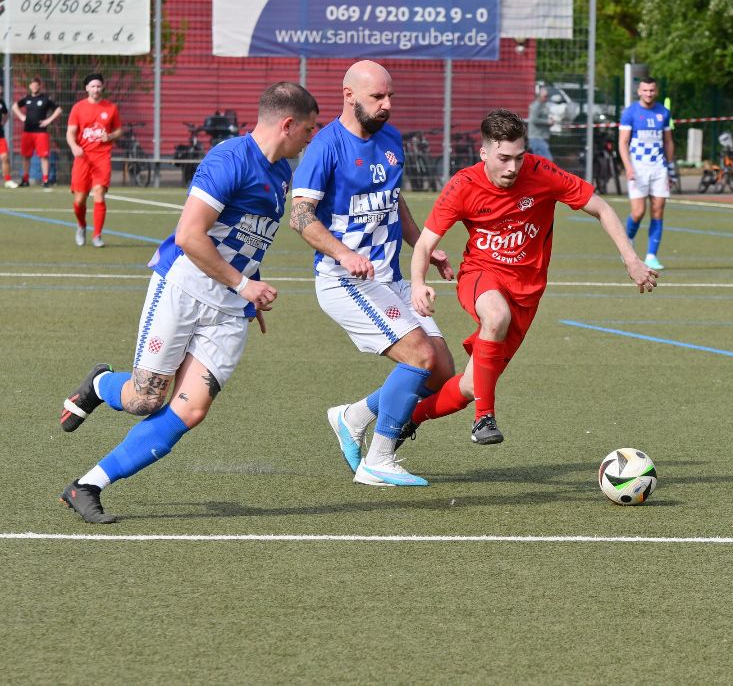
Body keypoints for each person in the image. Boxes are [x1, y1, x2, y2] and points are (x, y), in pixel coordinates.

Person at [57, 82, 319, 523]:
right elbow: (189, 236)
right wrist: (244, 285)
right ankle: (101, 384)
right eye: (310, 129)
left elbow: (245, 240)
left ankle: (87, 486)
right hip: (184, 289)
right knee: (145, 401)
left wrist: (249, 291)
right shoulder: (229, 159)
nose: (312, 138)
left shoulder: (281, 173)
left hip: (229, 308)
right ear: (288, 124)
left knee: (191, 409)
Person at [405, 109, 658, 448]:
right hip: (481, 274)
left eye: (519, 157)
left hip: (527, 293)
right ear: (484, 153)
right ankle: (484, 418)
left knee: (472, 385)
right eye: (504, 158)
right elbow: (424, 244)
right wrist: (418, 283)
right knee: (496, 316)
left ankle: (408, 418)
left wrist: (631, 260)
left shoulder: (542, 173)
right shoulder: (463, 185)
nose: (513, 167)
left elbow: (601, 208)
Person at [288, 60, 456, 488]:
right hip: (345, 281)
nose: (386, 105)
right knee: (419, 357)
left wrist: (422, 246)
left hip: (389, 277)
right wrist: (344, 254)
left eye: (389, 96)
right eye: (377, 97)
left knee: (441, 371)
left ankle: (354, 417)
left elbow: (394, 200)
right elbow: (300, 215)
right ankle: (379, 460)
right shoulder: (326, 146)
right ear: (348, 95)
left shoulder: (391, 138)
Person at [617, 76, 676, 271]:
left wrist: (670, 167)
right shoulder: (630, 112)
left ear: (656, 91)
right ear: (639, 91)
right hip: (638, 168)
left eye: (651, 90)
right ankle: (627, 244)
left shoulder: (663, 112)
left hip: (659, 168)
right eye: (645, 90)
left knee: (658, 210)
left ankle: (651, 256)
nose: (648, 94)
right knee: (638, 212)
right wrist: (628, 167)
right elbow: (623, 142)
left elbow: (668, 141)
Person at [66, 73, 123, 248]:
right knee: (79, 200)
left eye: (98, 86)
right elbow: (70, 132)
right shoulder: (78, 108)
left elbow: (119, 130)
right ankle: (81, 225)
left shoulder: (111, 108)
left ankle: (97, 235)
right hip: (83, 158)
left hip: (102, 157)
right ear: (87, 88)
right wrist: (74, 147)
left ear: (102, 87)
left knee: (99, 193)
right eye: (92, 86)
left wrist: (110, 136)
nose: (96, 89)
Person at [12, 77, 62, 188]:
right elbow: (14, 106)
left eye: (36, 85)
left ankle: (45, 180)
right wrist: (21, 116)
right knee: (26, 156)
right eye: (32, 85)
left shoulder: (45, 99)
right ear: (30, 86)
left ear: (39, 86)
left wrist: (48, 120)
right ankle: (25, 179)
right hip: (28, 132)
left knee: (44, 156)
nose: (34, 87)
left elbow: (58, 109)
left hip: (41, 132)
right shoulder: (27, 98)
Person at [527, 87, 554, 161]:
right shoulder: (536, 106)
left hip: (541, 137)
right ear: (539, 96)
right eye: (545, 96)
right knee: (548, 160)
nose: (547, 98)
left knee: (541, 162)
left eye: (547, 96)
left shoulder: (543, 105)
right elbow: (533, 120)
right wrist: (547, 121)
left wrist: (550, 122)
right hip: (537, 137)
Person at [0, 85, 18, 188]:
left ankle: (7, 180)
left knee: (5, 157)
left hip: (0, 136)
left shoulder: (1, 102)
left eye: (1, 88)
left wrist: (3, 122)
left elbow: (6, 114)